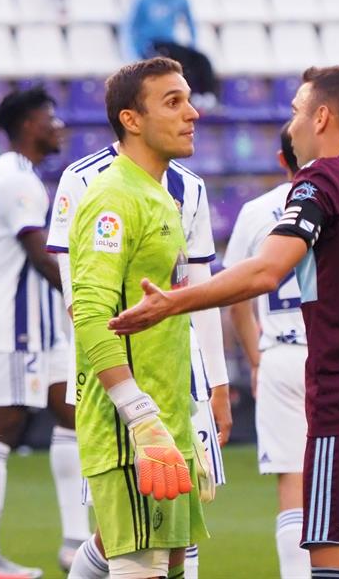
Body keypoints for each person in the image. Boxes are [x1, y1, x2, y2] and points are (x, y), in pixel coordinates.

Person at [111, 64, 339, 578]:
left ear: (323, 118)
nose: (292, 126)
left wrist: (173, 303)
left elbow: (265, 270)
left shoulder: (320, 181)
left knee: (336, 568)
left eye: (296, 112)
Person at [46, 87, 231, 579]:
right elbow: (87, 312)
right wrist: (140, 414)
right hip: (133, 426)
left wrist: (201, 394)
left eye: (189, 99)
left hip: (170, 409)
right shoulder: (108, 196)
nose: (192, 112)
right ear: (131, 118)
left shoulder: (164, 193)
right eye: (173, 102)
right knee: (138, 561)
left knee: (167, 562)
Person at [0, 87, 89, 579]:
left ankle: (76, 543)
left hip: (42, 327)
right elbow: (40, 256)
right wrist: (92, 300)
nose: (58, 125)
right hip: (15, 325)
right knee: (0, 426)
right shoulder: (14, 178)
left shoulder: (25, 176)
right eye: (49, 116)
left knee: (75, 416)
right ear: (25, 124)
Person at [225, 122, 310, 579]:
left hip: (280, 354)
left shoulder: (257, 211)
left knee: (292, 483)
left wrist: (257, 360)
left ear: (282, 161)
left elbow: (236, 295)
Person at [123, 0, 217, 107]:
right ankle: (189, 97)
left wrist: (193, 45)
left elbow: (191, 23)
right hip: (151, 44)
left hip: (170, 42)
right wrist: (135, 52)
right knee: (177, 62)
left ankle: (208, 96)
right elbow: (130, 27)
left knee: (201, 58)